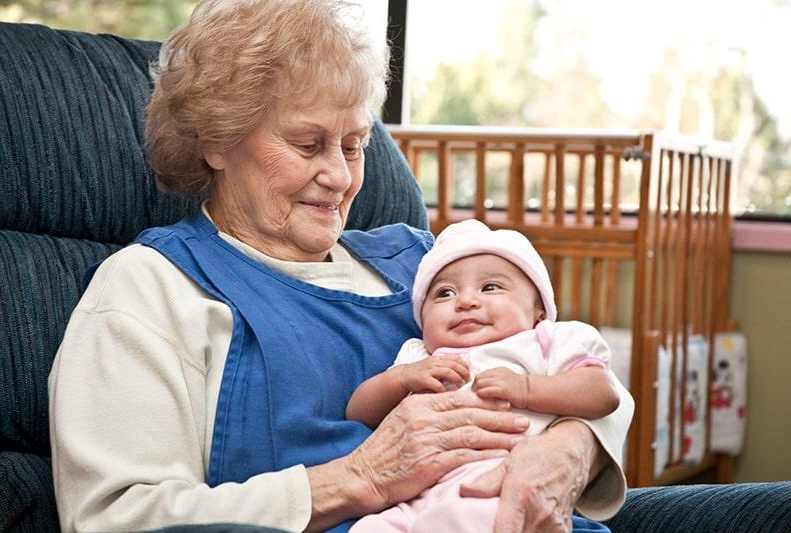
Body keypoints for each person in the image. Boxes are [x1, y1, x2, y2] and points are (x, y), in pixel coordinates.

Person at [47, 1, 634, 532]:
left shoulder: (427, 265)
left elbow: (575, 362)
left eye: (354, 145)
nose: (341, 176)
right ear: (216, 141)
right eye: (308, 144)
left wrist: (570, 449)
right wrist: (360, 478)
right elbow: (115, 517)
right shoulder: (153, 288)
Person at [348, 220, 620, 532]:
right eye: (444, 293)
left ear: (538, 313)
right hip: (415, 496)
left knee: (467, 520)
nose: (464, 301)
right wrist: (400, 380)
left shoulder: (546, 340)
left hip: (499, 483)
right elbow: (358, 412)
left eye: (490, 287)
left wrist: (527, 388)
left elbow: (602, 393)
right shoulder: (419, 356)